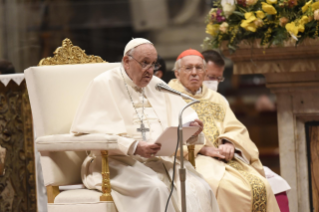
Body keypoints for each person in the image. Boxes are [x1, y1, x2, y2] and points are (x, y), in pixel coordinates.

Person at [70, 39, 220, 212]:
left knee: (200, 187)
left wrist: (191, 131)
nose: (150, 71)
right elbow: (87, 136)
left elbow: (178, 123)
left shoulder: (157, 86)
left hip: (160, 160)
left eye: (153, 65)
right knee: (156, 188)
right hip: (117, 162)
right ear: (127, 61)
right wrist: (133, 146)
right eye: (144, 63)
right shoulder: (103, 84)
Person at [168, 49, 281, 212]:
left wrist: (229, 142)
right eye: (188, 68)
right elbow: (167, 136)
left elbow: (234, 126)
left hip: (223, 157)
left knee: (261, 185)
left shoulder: (217, 98)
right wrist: (204, 149)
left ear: (204, 72)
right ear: (177, 73)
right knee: (220, 186)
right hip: (192, 158)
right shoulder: (168, 97)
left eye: (199, 68)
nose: (194, 73)